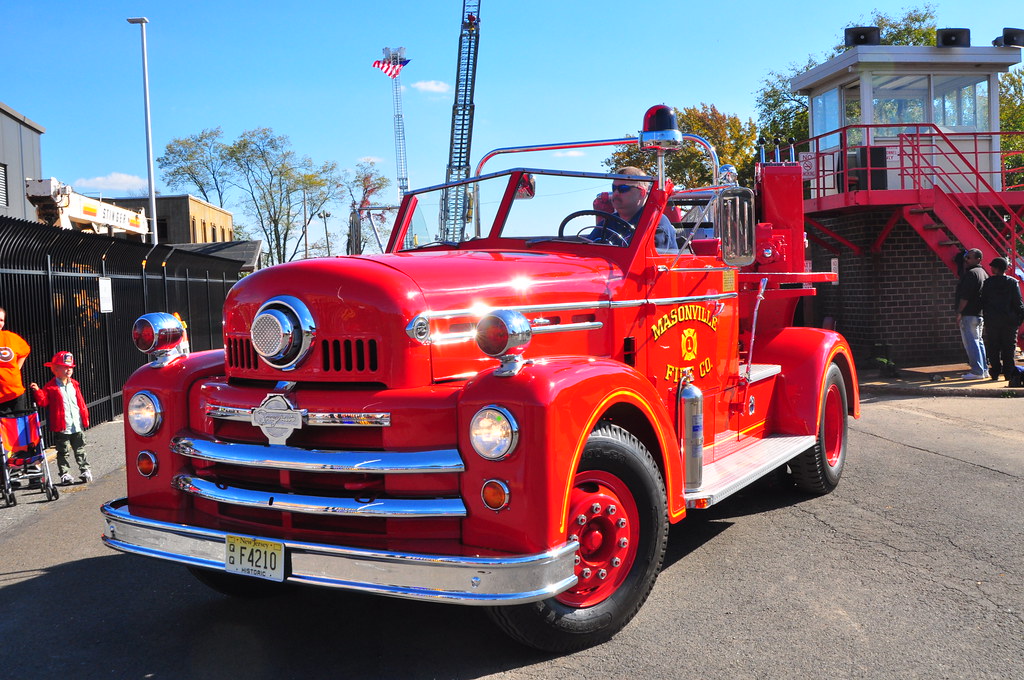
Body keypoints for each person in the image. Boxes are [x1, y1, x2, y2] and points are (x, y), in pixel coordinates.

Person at [30, 351, 91, 484]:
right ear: (55, 369)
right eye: (65, 367)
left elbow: (79, 402)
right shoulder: (51, 387)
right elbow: (43, 402)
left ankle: (85, 469)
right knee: (63, 451)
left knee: (80, 449)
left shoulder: (74, 384)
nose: (68, 370)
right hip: (62, 425)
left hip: (76, 423)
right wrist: (38, 391)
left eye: (70, 368)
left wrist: (84, 416)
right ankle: (65, 473)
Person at [591, 166, 679, 254]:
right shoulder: (608, 222)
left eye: (623, 189)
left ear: (642, 192)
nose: (616, 193)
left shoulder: (654, 222)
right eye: (614, 188)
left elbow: (647, 258)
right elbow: (588, 246)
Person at [980, 257, 1024, 381]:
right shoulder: (1012, 282)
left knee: (993, 347)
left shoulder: (988, 283)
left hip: (992, 320)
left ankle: (995, 372)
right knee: (1009, 348)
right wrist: (1019, 319)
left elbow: (983, 301)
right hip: (1009, 321)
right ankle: (1009, 373)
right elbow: (1018, 303)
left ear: (996, 268)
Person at [955, 249, 989, 380]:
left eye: (969, 257)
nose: (966, 260)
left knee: (971, 342)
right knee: (978, 341)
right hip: (979, 313)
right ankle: (983, 369)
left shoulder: (971, 274)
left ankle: (977, 371)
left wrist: (959, 312)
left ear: (978, 259)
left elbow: (965, 296)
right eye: (966, 257)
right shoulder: (983, 273)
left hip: (969, 313)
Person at [0, 306, 32, 416]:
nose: (0, 322)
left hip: (16, 395)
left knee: (19, 425)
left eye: (1, 320)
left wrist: (17, 368)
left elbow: (25, 350)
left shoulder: (11, 337)